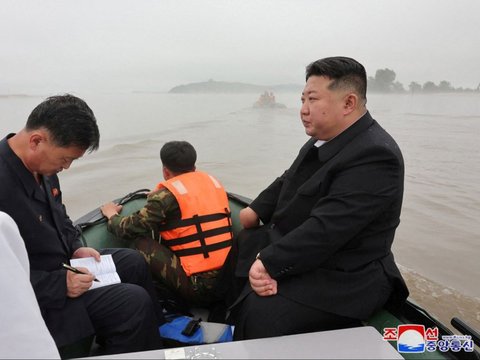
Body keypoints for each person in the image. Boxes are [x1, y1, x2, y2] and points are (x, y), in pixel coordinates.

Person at [230, 56, 409, 340]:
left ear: (348, 103)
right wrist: (255, 209)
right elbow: (289, 177)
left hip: (346, 274)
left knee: (261, 312)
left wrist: (270, 262)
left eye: (312, 100)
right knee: (243, 242)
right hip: (308, 250)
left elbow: (327, 229)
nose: (303, 110)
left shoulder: (376, 155)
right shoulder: (325, 136)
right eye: (302, 99)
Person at [0, 94, 164, 355]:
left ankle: (155, 339)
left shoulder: (44, 168)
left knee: (133, 262)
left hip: (66, 265)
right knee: (132, 302)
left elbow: (61, 217)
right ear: (36, 141)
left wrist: (77, 247)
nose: (66, 168)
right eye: (65, 159)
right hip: (40, 295)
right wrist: (58, 285)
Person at [100, 140, 233, 312]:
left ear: (165, 171)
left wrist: (111, 214)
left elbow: (127, 229)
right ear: (194, 166)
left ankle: (154, 300)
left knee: (141, 243)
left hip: (199, 288)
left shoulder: (165, 198)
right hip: (229, 280)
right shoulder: (214, 184)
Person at [0, 211, 60, 359]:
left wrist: (75, 246)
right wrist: (62, 282)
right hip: (50, 296)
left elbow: (62, 219)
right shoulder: (2, 224)